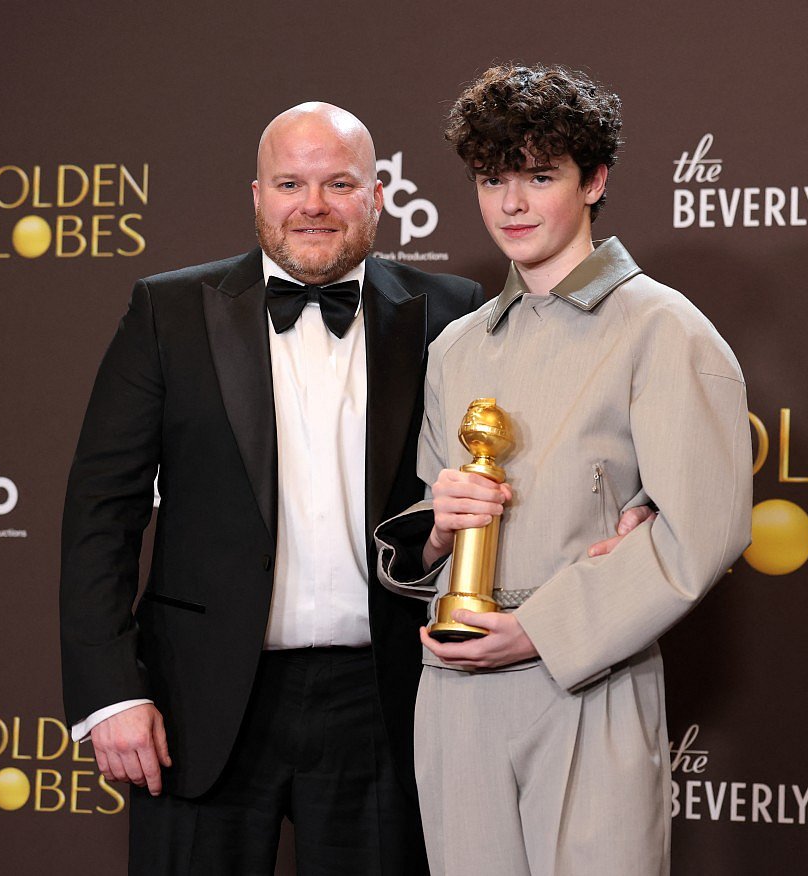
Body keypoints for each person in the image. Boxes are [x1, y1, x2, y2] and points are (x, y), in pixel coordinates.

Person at [58, 102, 486, 874]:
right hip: (202, 698)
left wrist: (634, 501)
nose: (312, 205)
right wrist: (112, 693)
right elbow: (100, 511)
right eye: (290, 182)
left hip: (386, 701)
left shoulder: (451, 312)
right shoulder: (169, 310)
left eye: (338, 183)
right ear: (257, 195)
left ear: (378, 195)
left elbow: (511, 464)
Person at [374, 64, 753, 875]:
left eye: (539, 176)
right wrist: (434, 534)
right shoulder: (457, 347)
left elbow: (704, 530)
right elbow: (438, 518)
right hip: (454, 688)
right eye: (492, 178)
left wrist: (540, 633)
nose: (511, 203)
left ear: (595, 180)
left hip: (585, 680)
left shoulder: (665, 330)